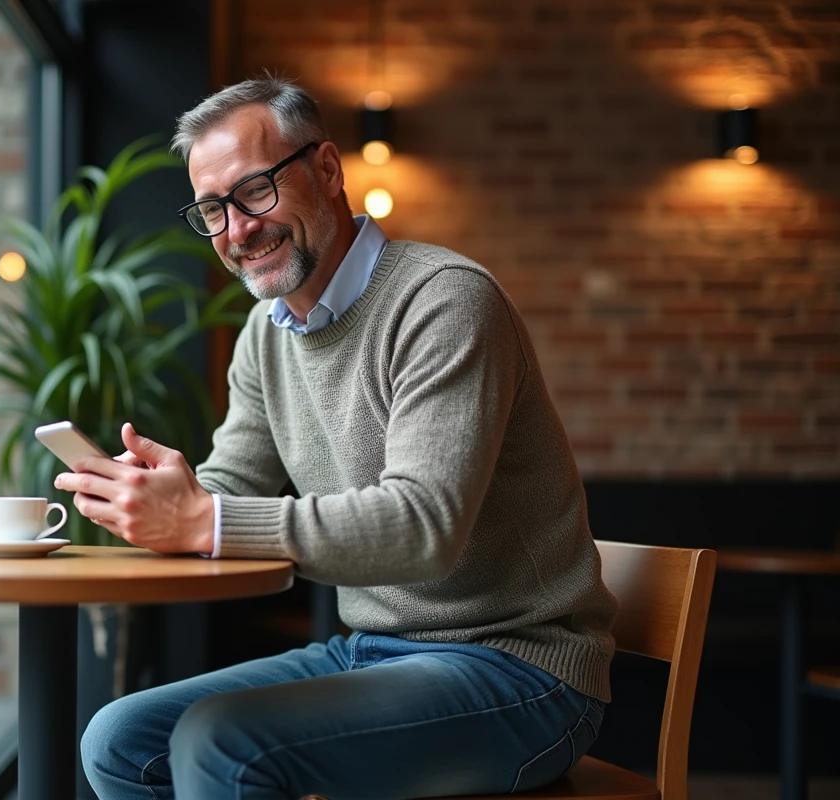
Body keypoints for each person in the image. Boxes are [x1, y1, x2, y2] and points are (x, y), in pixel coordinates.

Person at [52, 75, 618, 800]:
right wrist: (163, 499)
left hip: (522, 671)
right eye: (214, 210)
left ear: (325, 170)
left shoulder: (443, 299)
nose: (238, 229)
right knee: (120, 740)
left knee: (224, 743)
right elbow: (232, 487)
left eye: (255, 191)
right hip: (373, 652)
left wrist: (208, 518)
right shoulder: (266, 334)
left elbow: (425, 528)